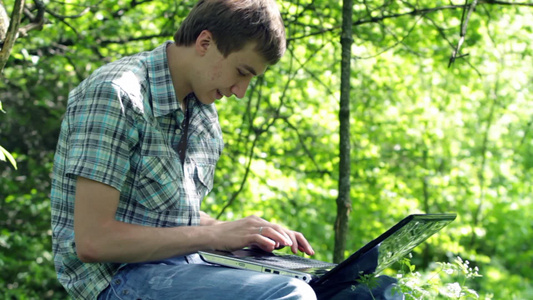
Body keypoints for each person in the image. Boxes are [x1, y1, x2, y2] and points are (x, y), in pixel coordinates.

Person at [51, 0, 402, 299]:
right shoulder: (116, 94)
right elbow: (94, 241)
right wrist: (213, 234)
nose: (240, 91)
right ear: (205, 42)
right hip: (115, 280)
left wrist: (244, 234)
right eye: (241, 72)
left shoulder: (203, 112)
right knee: (290, 295)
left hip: (185, 265)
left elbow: (171, 217)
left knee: (371, 290)